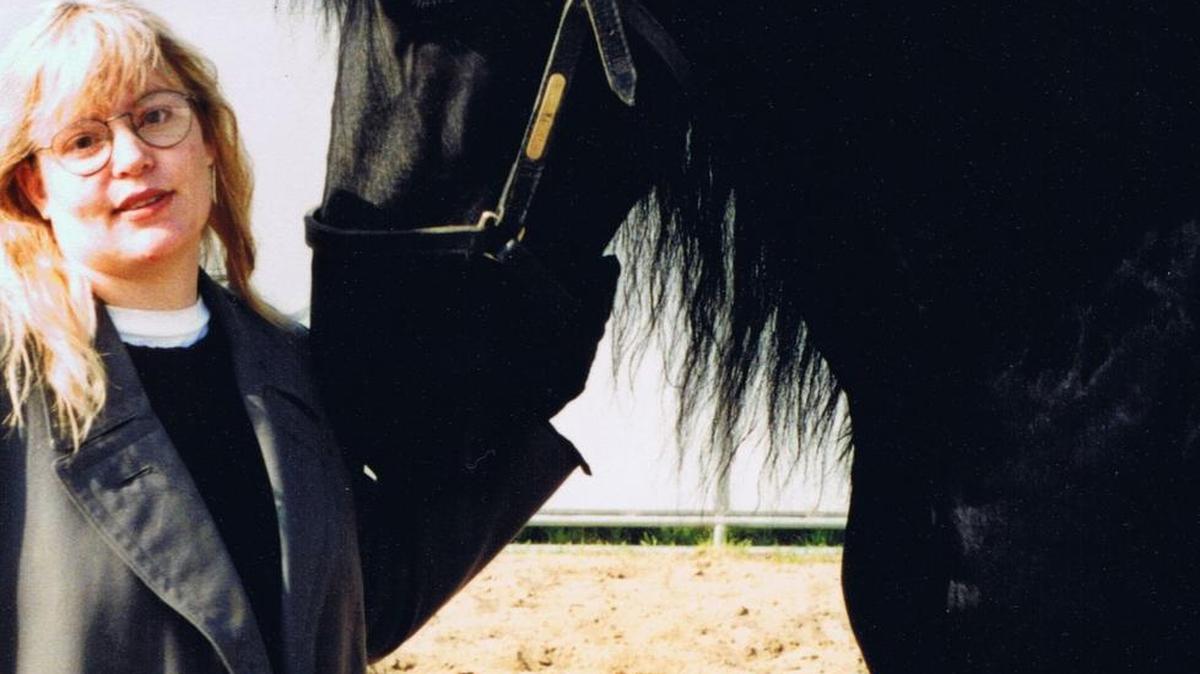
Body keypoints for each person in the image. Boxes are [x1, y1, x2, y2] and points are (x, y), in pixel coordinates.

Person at [0, 2, 596, 672]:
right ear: (34, 188)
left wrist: (535, 387)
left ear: (206, 143)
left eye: (155, 117)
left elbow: (370, 601)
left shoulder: (298, 370)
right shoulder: (12, 390)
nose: (133, 157)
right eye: (84, 141)